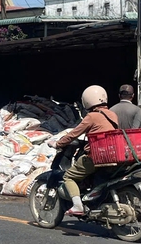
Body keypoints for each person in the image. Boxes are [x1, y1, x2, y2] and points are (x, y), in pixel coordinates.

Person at [50, 86, 118, 216]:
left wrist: (58, 143)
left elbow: (74, 134)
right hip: (113, 154)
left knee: (68, 176)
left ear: (87, 100)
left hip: (96, 156)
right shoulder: (113, 114)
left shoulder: (91, 116)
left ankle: (77, 206)